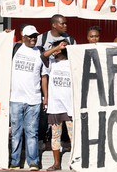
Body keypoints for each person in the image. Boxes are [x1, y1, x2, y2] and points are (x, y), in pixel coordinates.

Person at [9, 25, 47, 171]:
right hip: (16, 98)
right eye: (30, 36)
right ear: (23, 37)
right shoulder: (14, 49)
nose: (33, 39)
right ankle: (14, 162)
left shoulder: (40, 52)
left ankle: (33, 162)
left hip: (34, 99)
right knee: (16, 133)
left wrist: (46, 97)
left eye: (35, 36)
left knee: (32, 133)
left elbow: (44, 76)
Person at [43, 43, 73, 171]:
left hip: (70, 106)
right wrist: (56, 48)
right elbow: (43, 56)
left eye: (57, 49)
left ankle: (75, 162)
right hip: (55, 106)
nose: (54, 52)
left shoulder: (72, 63)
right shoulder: (52, 64)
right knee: (55, 136)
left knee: (74, 137)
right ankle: (56, 163)